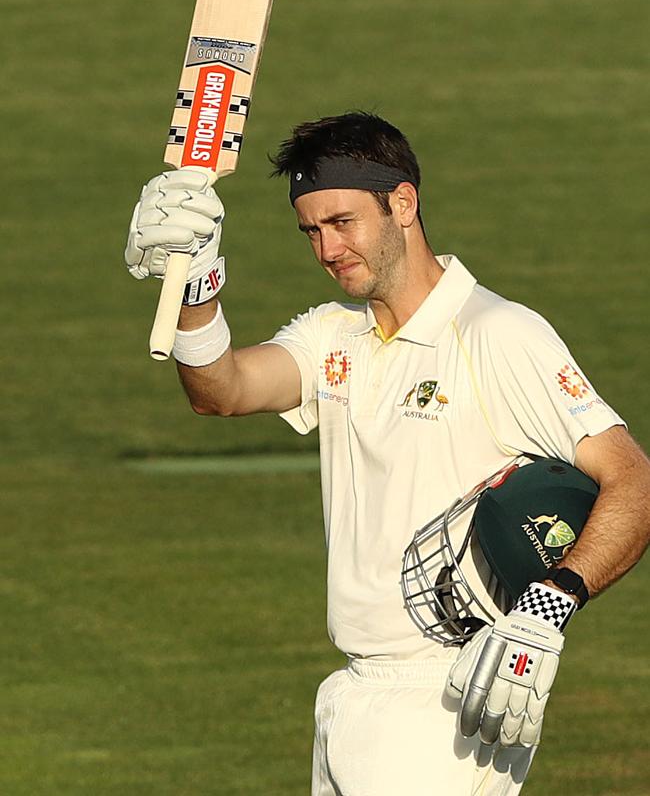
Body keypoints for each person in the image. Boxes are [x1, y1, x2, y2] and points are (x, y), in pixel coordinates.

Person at [125, 112, 650, 795]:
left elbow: (633, 480)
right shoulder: (332, 336)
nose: (328, 247)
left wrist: (548, 608)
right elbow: (220, 390)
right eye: (311, 230)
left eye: (344, 221)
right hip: (352, 693)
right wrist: (195, 287)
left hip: (446, 696)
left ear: (403, 203)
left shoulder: (496, 334)